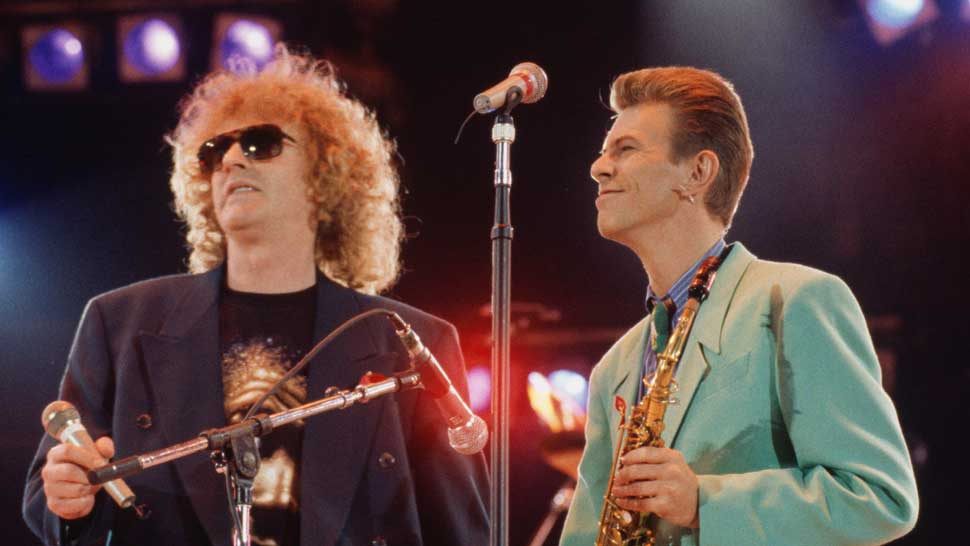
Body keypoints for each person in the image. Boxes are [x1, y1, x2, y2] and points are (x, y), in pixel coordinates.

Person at [23, 46, 489, 546]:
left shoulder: (414, 341)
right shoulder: (118, 323)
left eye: (259, 143)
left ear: (324, 175)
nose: (227, 160)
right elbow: (46, 502)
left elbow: (461, 529)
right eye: (212, 151)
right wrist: (67, 497)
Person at [559, 67, 918, 546]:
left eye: (625, 149)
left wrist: (702, 502)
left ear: (698, 172)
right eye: (604, 152)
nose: (598, 167)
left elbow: (880, 496)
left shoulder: (796, 300)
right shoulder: (614, 369)